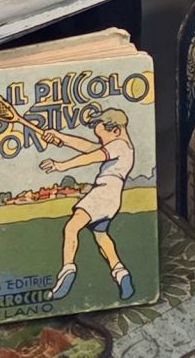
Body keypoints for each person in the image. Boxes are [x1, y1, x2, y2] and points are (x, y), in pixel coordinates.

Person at [46, 106, 137, 301]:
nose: (100, 141)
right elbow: (86, 146)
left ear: (116, 130)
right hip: (112, 198)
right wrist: (60, 137)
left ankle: (67, 269)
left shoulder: (119, 145)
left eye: (102, 136)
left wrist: (61, 166)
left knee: (72, 227)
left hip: (103, 193)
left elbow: (90, 156)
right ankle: (120, 272)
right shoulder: (122, 147)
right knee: (101, 235)